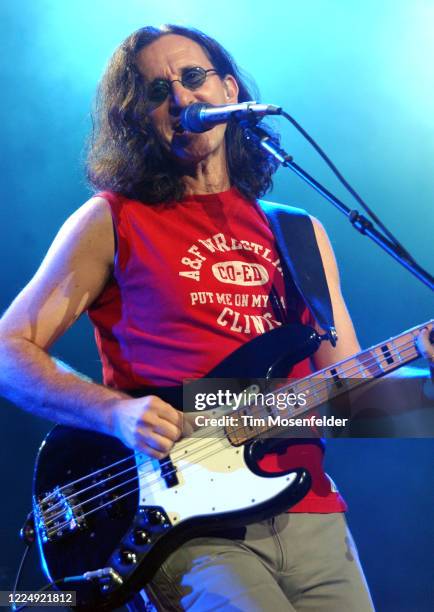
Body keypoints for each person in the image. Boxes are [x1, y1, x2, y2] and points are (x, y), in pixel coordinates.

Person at [0, 24, 432, 612]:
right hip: (185, 520)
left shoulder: (299, 231)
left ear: (230, 91)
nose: (180, 99)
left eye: (193, 77)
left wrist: (428, 380)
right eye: (156, 91)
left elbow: (346, 395)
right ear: (136, 118)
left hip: (313, 512)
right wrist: (115, 412)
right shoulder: (112, 220)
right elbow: (8, 349)